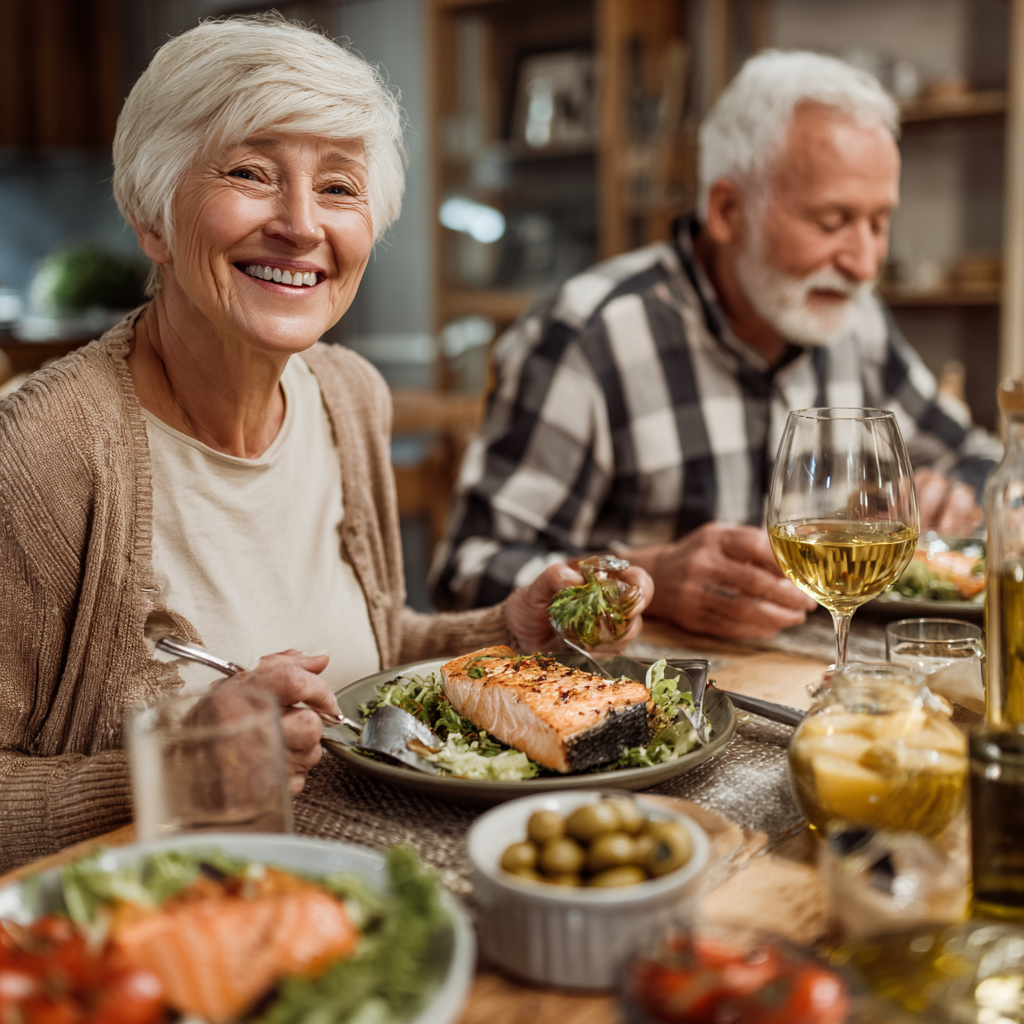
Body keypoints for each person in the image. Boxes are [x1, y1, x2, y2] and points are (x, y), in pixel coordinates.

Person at [0, 15, 652, 872]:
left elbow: (364, 659)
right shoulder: (42, 452)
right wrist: (173, 766)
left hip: (387, 886)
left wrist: (506, 631)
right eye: (249, 173)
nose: (302, 225)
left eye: (340, 188)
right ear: (151, 218)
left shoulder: (349, 396)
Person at [432, 50, 999, 640]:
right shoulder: (587, 336)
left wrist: (958, 496)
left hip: (809, 672)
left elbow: (986, 458)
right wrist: (648, 578)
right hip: (650, 709)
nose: (863, 262)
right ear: (727, 210)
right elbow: (467, 571)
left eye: (879, 223)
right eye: (832, 222)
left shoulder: (855, 320)